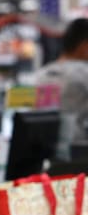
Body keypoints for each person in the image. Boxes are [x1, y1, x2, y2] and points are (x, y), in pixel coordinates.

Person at [35, 18, 88, 161]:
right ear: (84, 46)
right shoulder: (83, 73)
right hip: (80, 152)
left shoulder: (40, 74)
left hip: (43, 153)